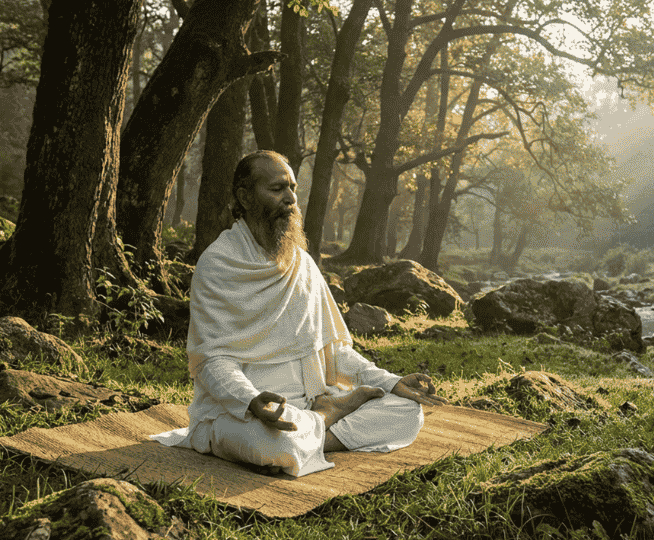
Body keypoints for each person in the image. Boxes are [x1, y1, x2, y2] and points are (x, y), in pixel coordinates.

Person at [152, 150, 446, 477]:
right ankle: (325, 420)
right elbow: (212, 361)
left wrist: (391, 382)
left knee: (407, 410)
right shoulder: (217, 265)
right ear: (244, 197)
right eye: (277, 189)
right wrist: (251, 400)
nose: (291, 198)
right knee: (274, 446)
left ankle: (318, 421)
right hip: (246, 414)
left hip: (312, 399)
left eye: (292, 188)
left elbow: (334, 352)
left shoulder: (302, 263)